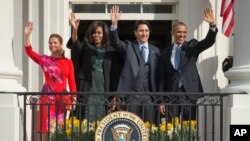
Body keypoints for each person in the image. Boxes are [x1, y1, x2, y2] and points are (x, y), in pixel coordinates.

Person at [159, 7, 218, 120]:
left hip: (189, 93)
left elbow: (208, 42)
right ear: (172, 32)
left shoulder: (192, 46)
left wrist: (212, 25)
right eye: (179, 32)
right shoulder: (165, 52)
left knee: (189, 126)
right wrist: (161, 100)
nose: (182, 35)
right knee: (171, 127)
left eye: (184, 32)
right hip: (171, 94)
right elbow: (162, 78)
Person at [24, 21, 76, 141]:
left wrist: (74, 98)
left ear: (60, 44)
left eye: (55, 42)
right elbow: (30, 52)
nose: (52, 45)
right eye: (50, 43)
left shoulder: (68, 62)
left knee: (59, 130)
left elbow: (72, 82)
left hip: (62, 99)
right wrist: (27, 35)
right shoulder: (45, 60)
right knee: (45, 129)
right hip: (46, 99)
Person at [67, 13, 122, 121]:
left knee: (103, 118)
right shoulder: (86, 48)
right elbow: (76, 45)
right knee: (86, 116)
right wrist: (74, 30)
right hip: (88, 87)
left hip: (104, 87)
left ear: (104, 34)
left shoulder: (111, 51)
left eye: (99, 33)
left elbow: (115, 74)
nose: (96, 35)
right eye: (94, 33)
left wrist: (115, 95)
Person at [109, 6, 161, 123]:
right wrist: (114, 24)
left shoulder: (156, 51)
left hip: (149, 95)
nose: (144, 33)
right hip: (132, 95)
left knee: (149, 127)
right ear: (135, 32)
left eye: (146, 31)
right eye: (141, 31)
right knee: (132, 126)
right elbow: (115, 42)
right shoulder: (128, 46)